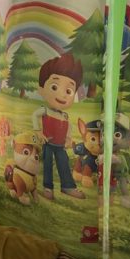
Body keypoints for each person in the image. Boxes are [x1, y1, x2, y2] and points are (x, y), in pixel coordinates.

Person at [31, 53, 85, 200]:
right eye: (54, 87)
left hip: (60, 146)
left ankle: (68, 186)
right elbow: (35, 115)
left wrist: (68, 138)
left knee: (64, 163)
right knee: (47, 164)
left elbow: (69, 127)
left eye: (69, 91)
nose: (62, 95)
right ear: (41, 89)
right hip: (48, 143)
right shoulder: (45, 110)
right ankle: (47, 188)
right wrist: (38, 131)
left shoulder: (65, 116)